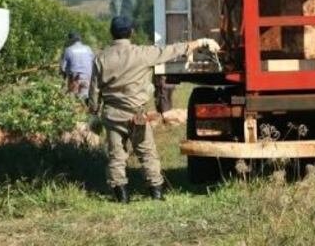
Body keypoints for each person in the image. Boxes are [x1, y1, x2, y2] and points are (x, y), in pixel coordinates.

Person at [88, 16, 220, 203]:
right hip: (137, 115)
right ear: (131, 33)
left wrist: (93, 112)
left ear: (111, 33)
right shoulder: (142, 53)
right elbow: (171, 51)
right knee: (147, 152)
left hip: (112, 114)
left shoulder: (100, 58)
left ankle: (121, 197)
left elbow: (94, 90)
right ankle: (156, 194)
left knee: (116, 156)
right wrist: (199, 42)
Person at [59, 31, 94, 98]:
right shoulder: (88, 48)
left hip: (74, 81)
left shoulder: (68, 50)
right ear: (80, 39)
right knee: (84, 103)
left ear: (70, 40)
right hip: (88, 80)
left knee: (73, 103)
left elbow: (62, 69)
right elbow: (93, 64)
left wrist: (63, 82)